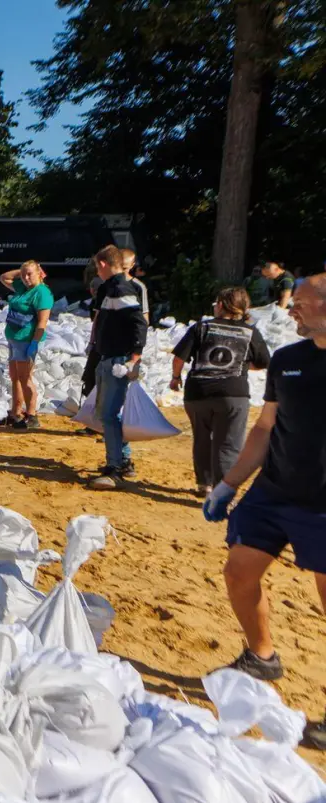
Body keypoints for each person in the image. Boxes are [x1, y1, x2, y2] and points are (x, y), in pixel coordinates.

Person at [204, 274, 326, 745]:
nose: (290, 310)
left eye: (301, 304)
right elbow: (265, 426)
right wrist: (229, 484)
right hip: (274, 491)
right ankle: (262, 655)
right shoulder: (287, 359)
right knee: (239, 571)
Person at [172, 286, 270, 495]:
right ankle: (222, 490)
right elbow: (263, 362)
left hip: (198, 392)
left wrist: (175, 378)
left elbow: (179, 357)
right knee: (228, 443)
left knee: (202, 438)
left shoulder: (201, 327)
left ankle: (204, 484)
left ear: (221, 305)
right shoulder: (250, 332)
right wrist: (242, 365)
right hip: (233, 394)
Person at [88, 245, 149, 490]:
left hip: (116, 359)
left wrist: (133, 357)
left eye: (96, 266)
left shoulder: (119, 290)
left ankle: (116, 466)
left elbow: (139, 324)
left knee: (108, 415)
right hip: (109, 357)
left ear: (102, 264)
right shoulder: (112, 288)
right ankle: (120, 460)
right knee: (107, 413)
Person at [0, 260, 53, 429]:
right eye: (23, 275)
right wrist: (21, 271)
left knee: (25, 378)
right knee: (15, 377)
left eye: (30, 274)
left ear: (39, 273)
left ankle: (32, 415)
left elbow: (42, 321)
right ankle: (15, 413)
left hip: (27, 340)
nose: (26, 278)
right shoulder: (23, 288)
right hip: (14, 337)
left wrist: (35, 343)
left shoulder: (41, 293)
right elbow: (4, 278)